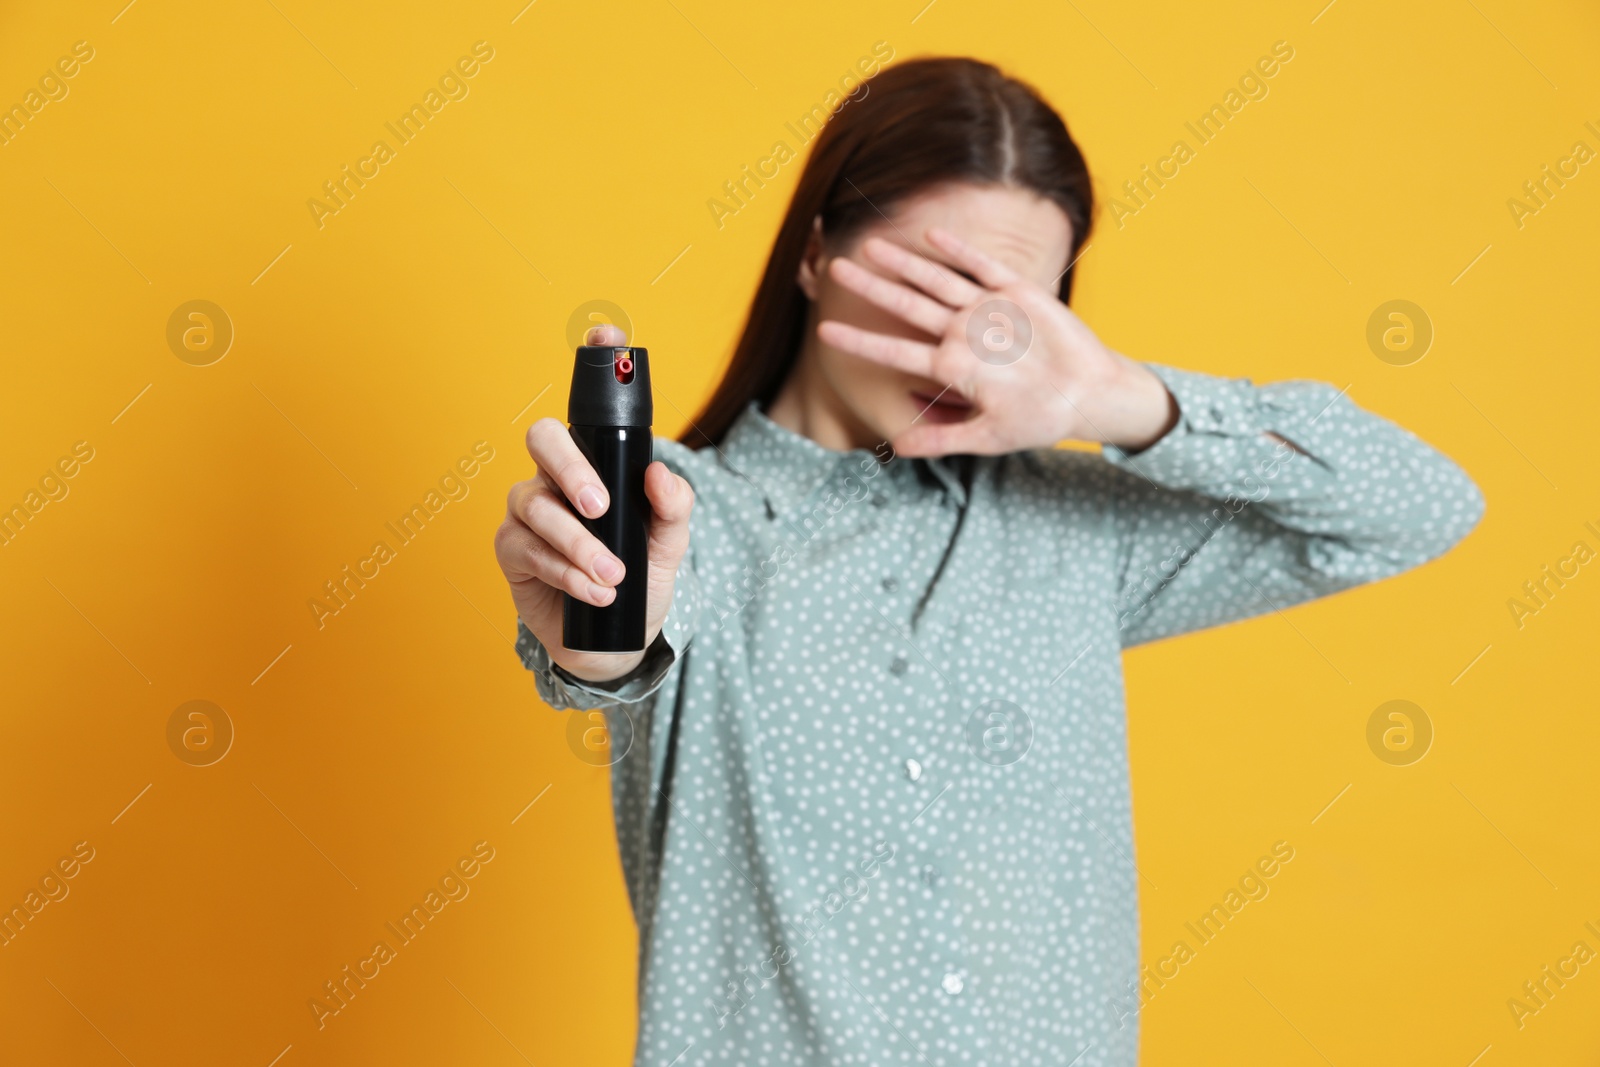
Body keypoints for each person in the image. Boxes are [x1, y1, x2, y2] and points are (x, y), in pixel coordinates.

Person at [494, 56, 1483, 1067]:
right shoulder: (682, 518)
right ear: (815, 252)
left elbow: (1419, 505)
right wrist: (602, 625)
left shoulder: (1073, 527)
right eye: (945, 287)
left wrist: (1117, 399)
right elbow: (609, 647)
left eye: (1022, 312)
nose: (968, 346)